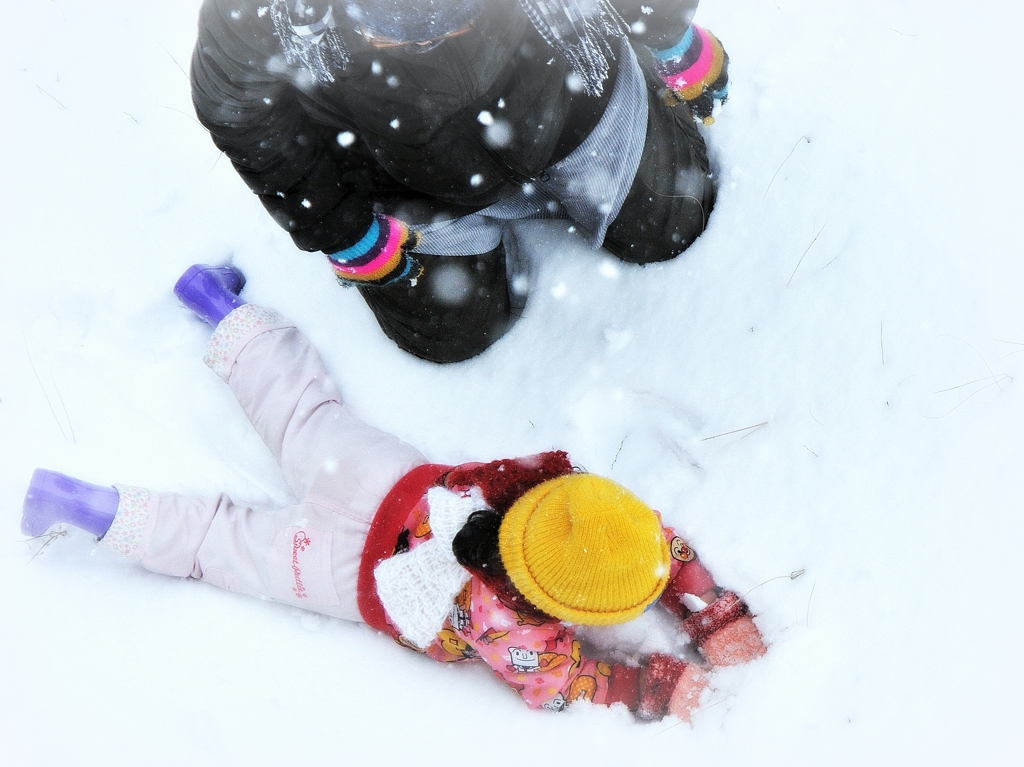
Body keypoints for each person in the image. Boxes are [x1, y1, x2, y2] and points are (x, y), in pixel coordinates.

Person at [22, 265, 763, 721]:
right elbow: (564, 682)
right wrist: (650, 686)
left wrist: (706, 608)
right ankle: (87, 509)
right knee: (221, 543)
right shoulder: (507, 620)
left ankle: (220, 310)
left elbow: (646, 542)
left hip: (377, 478)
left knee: (301, 411)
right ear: (565, 604)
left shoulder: (553, 490)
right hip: (345, 573)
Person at [190, 0, 729, 363]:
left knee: (671, 224)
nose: (429, 42)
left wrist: (667, 34)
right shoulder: (256, 13)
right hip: (397, 164)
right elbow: (242, 113)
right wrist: (342, 229)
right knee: (450, 332)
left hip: (570, 96)